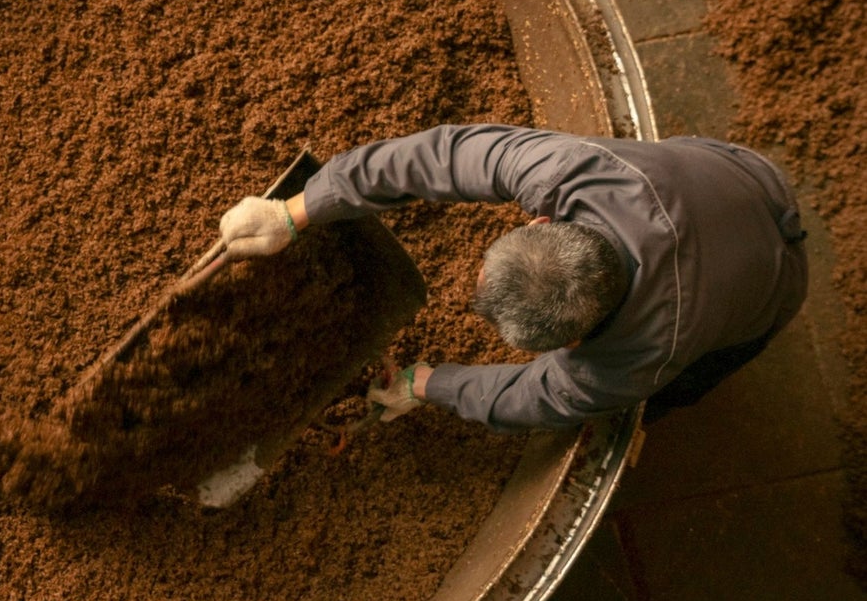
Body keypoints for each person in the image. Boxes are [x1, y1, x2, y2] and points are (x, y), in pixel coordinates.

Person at [217, 124, 809, 431]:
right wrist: (295, 212)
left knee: (668, 393)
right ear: (543, 222)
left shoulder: (642, 357)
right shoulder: (570, 168)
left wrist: (428, 385)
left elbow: (539, 399)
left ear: (575, 342)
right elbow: (439, 156)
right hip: (740, 177)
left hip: (774, 285)